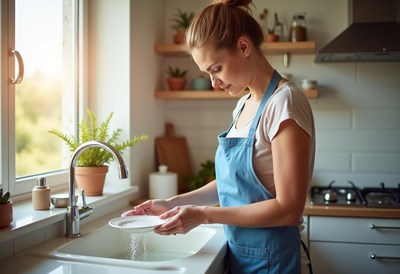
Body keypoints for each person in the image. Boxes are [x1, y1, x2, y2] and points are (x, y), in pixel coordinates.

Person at [123, 0, 315, 273]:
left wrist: (203, 215)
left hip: (276, 260)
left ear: (244, 47)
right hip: (243, 255)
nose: (214, 83)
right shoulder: (244, 105)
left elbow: (288, 210)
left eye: (216, 68)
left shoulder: (284, 102)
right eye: (207, 73)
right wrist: (173, 203)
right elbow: (231, 184)